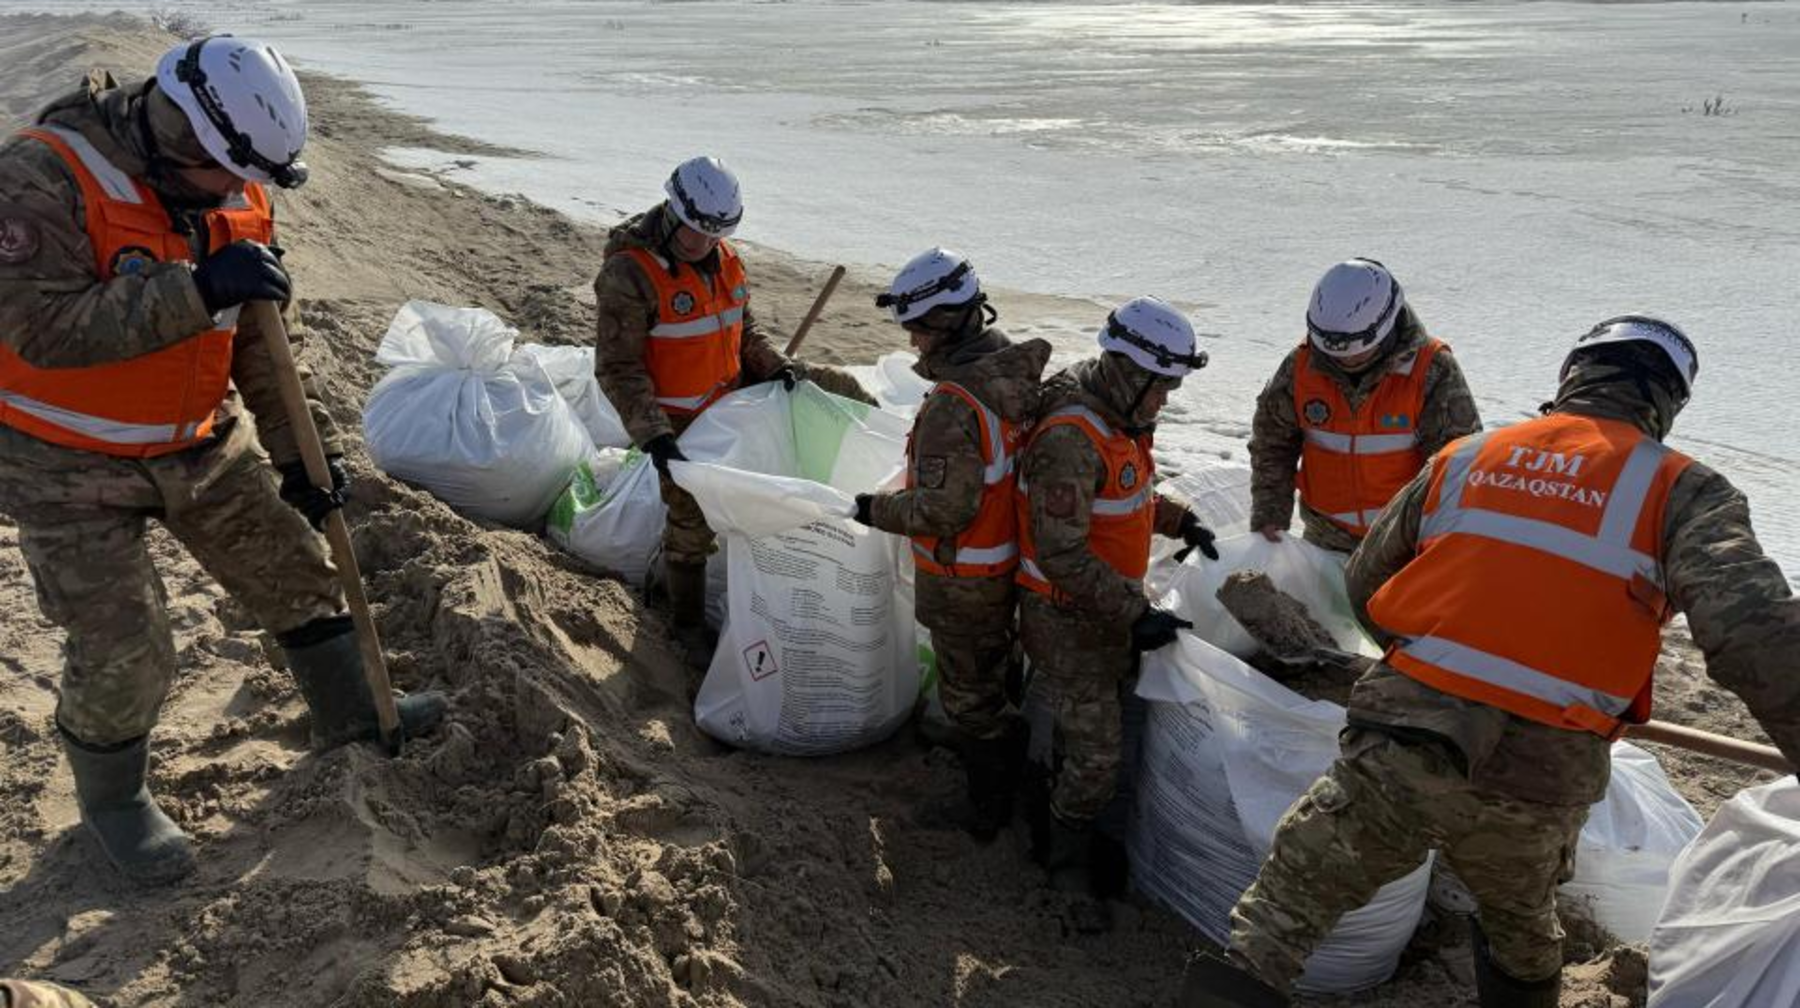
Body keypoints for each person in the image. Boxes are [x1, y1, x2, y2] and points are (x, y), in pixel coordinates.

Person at [1183, 316, 1800, 1007]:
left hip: (1403, 747)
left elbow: (1366, 581)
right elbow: (1753, 632)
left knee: (1278, 920)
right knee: (1522, 929)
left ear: (1572, 375)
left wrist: (1427, 666)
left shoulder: (1469, 456)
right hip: (1540, 776)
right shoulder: (1687, 492)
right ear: (1668, 400)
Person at [0, 37, 445, 886]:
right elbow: (37, 330)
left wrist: (298, 457)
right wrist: (196, 288)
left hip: (200, 442)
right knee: (126, 642)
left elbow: (263, 347)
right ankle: (114, 802)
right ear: (184, 137)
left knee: (296, 567)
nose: (242, 195)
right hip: (64, 463)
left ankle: (352, 713)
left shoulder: (234, 199)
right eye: (227, 174)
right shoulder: (40, 177)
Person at [592, 156, 870, 664]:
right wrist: (655, 436)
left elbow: (746, 331)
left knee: (834, 388)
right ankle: (687, 624)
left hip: (734, 399)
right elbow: (618, 368)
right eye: (694, 233)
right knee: (690, 518)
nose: (702, 246)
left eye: (713, 236)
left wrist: (776, 366)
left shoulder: (727, 260)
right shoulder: (629, 275)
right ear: (673, 212)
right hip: (676, 420)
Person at [1015, 296, 1218, 930]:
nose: (1167, 400)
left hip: (1103, 612)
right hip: (1066, 619)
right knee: (1097, 754)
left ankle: (1065, 818)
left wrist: (1181, 519)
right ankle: (1063, 865)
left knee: (1092, 740)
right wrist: (1137, 614)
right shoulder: (1072, 440)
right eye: (1163, 387)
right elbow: (1062, 554)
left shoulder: (1116, 419)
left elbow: (1127, 493)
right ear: (1131, 372)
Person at [850, 248, 1050, 840]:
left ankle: (985, 813)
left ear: (953, 320)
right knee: (992, 671)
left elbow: (942, 509)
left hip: (964, 578)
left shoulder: (954, 403)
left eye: (920, 327)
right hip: (1007, 562)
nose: (912, 341)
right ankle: (1003, 758)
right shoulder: (1009, 372)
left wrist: (871, 508)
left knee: (971, 702)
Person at [1248, 259, 1480, 552]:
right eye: (1332, 353)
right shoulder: (1302, 365)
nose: (1344, 361)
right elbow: (1272, 443)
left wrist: (1440, 544)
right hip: (1325, 540)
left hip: (1401, 546)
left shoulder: (1432, 370)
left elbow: (1456, 467)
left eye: (1357, 352)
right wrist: (1269, 513)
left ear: (1385, 327)